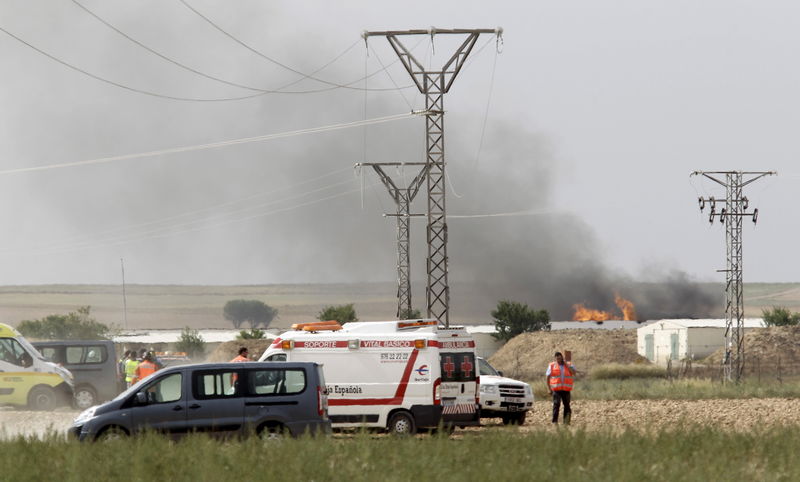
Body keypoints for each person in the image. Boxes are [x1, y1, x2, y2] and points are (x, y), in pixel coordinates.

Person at [546, 351, 576, 425]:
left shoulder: (569, 364)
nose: (558, 359)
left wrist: (567, 364)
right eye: (557, 358)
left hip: (566, 389)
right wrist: (549, 388)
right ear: (555, 358)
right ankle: (554, 422)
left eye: (559, 358)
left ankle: (566, 422)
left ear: (562, 357)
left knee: (567, 406)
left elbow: (573, 373)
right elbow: (547, 377)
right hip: (556, 389)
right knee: (556, 405)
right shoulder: (552, 365)